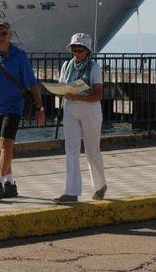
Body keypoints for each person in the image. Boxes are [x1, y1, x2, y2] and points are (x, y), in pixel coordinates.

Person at [0, 21, 45, 199]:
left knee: (7, 144)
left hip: (14, 105)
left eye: (4, 33)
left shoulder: (20, 56)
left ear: (10, 35)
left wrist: (40, 107)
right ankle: (10, 184)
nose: (1, 36)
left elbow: (32, 84)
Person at [53, 33, 107, 204]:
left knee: (92, 151)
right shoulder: (66, 65)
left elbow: (98, 94)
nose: (76, 52)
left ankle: (100, 185)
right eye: (74, 49)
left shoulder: (94, 68)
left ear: (87, 51)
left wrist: (81, 97)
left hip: (89, 110)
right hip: (70, 109)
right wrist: (62, 91)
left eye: (80, 49)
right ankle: (72, 191)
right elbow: (63, 85)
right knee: (71, 150)